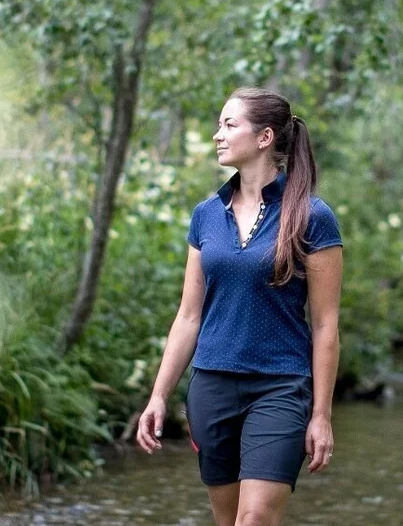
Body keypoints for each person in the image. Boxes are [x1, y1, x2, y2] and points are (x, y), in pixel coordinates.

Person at [135, 86, 344, 526]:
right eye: (219, 125)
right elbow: (189, 315)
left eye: (229, 125)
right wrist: (158, 395)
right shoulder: (205, 214)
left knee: (253, 521)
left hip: (281, 387)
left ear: (265, 137)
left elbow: (326, 326)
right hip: (212, 387)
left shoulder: (312, 216)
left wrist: (321, 416)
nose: (217, 134)